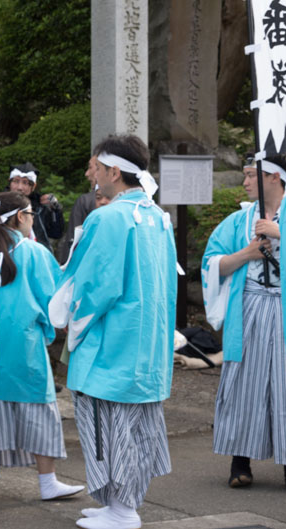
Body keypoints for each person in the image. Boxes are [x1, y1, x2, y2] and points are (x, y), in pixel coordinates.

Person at [49, 135, 176, 529]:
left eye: (95, 167)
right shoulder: (159, 217)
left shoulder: (107, 218)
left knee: (108, 429)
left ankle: (122, 511)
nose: (90, 174)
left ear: (114, 171)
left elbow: (95, 286)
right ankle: (119, 506)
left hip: (111, 346)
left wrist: (73, 323)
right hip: (146, 345)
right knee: (136, 429)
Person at [0, 191, 84, 501]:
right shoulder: (35, 254)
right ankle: (47, 481)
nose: (33, 220)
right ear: (21, 217)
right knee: (37, 408)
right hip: (24, 346)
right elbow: (55, 301)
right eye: (32, 215)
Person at [205, 154, 286, 492]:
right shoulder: (235, 222)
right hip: (251, 306)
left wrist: (282, 234)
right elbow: (211, 263)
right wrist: (246, 253)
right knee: (246, 381)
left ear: (274, 177)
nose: (244, 182)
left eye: (250, 175)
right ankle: (239, 460)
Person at [9, 163, 63, 248]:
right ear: (10, 182)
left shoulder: (40, 206)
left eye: (25, 183)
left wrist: (55, 210)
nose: (19, 187)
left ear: (33, 186)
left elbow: (55, 233)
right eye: (16, 181)